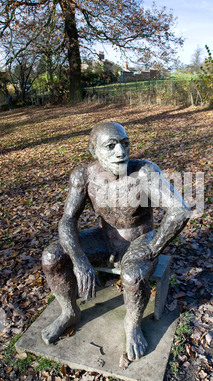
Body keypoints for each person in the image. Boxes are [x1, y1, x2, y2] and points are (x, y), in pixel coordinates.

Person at [42, 122, 190, 361]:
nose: (121, 152)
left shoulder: (144, 172)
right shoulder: (84, 176)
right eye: (110, 146)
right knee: (52, 257)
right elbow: (68, 220)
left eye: (125, 144)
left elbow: (179, 211)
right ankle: (69, 312)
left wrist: (153, 248)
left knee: (132, 275)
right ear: (93, 151)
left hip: (139, 240)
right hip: (105, 239)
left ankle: (132, 325)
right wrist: (79, 260)